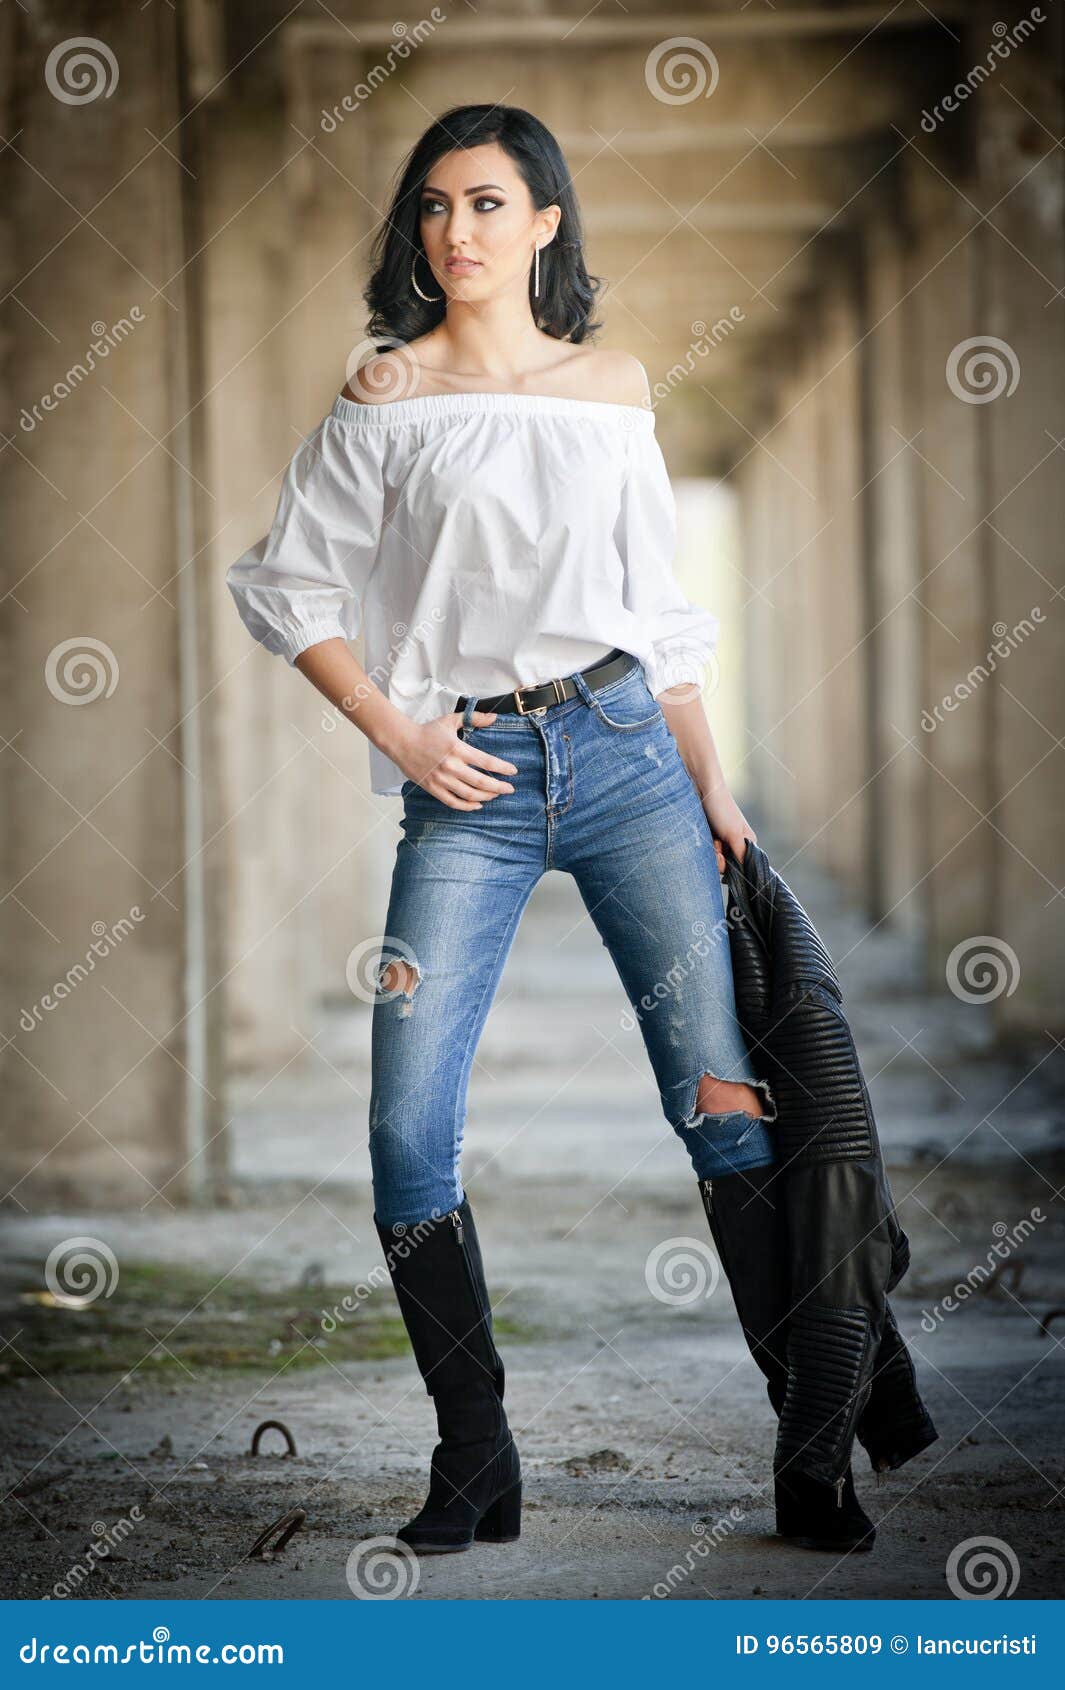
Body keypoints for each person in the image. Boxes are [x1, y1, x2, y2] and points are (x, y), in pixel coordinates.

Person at [226, 104, 779, 1557]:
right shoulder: (383, 391)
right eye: (431, 207)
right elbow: (286, 588)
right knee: (407, 1127)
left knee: (720, 1106)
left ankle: (818, 1437)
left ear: (544, 224)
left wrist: (711, 788)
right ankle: (474, 1459)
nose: (453, 232)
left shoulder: (610, 387)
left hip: (622, 759)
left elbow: (656, 618)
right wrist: (401, 732)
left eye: (484, 203)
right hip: (461, 777)